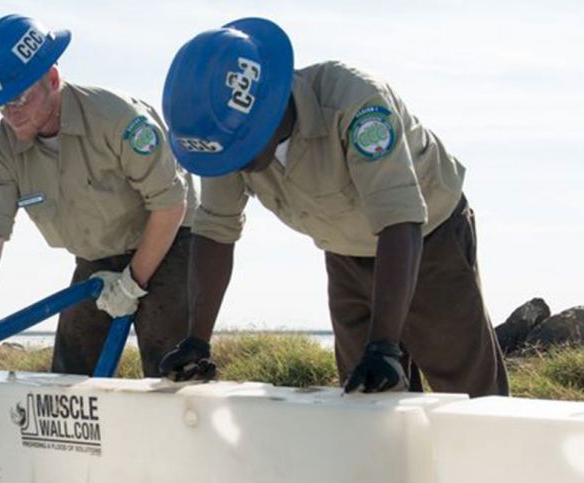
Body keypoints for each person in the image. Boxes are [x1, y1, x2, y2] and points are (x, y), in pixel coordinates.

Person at [158, 18, 509, 397]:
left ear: (267, 112)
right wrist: (197, 340)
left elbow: (398, 218)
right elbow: (215, 232)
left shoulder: (355, 104)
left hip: (425, 238)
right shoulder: (224, 139)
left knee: (465, 388)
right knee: (366, 393)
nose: (232, 165)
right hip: (344, 250)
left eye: (238, 152)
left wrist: (385, 345)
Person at [0, 14, 195, 377]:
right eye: (2, 104)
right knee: (69, 373)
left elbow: (170, 205)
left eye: (20, 98)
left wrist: (133, 281)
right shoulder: (3, 148)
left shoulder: (118, 118)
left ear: (52, 79)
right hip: (97, 256)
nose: (12, 114)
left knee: (172, 366)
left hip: (167, 240)